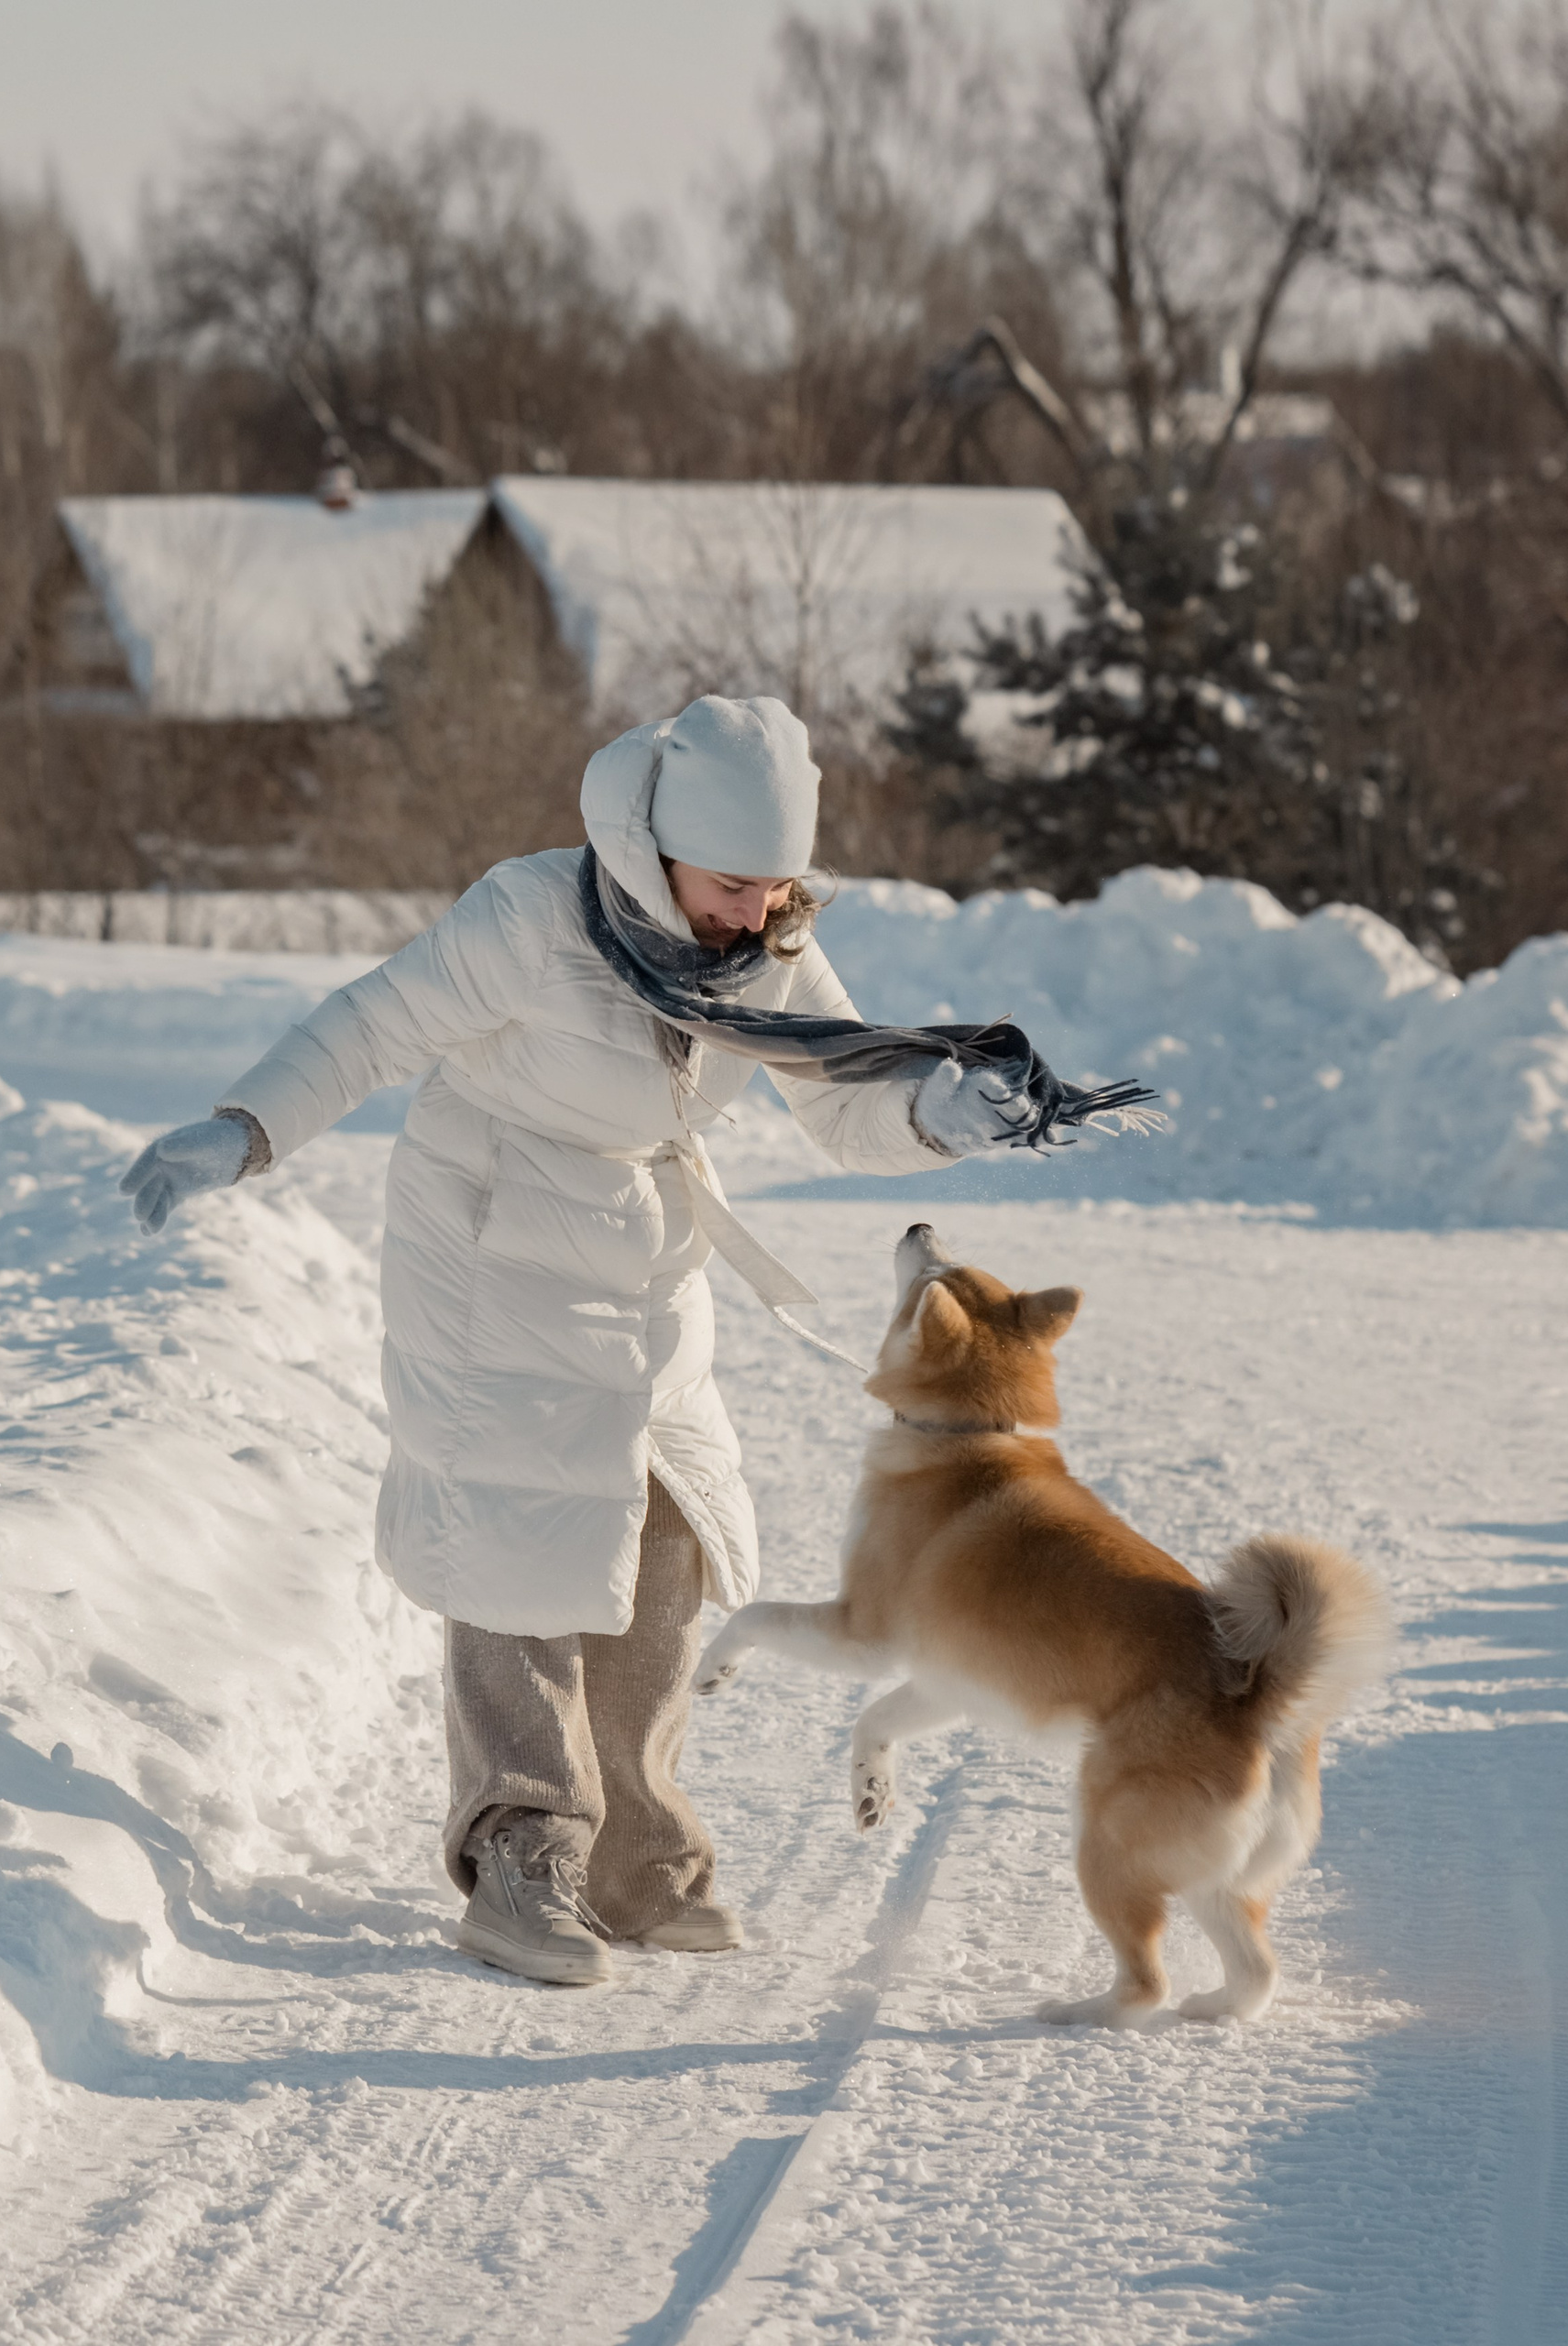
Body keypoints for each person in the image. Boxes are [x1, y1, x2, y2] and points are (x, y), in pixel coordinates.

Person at [119, 694, 1150, 1987]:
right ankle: (523, 1858)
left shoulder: (766, 946)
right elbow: (370, 1024)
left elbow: (843, 1098)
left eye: (775, 890)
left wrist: (946, 1114)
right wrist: (247, 1130)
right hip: (487, 1241)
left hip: (645, 1248)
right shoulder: (531, 916)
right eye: (730, 886)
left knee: (669, 1542)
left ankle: (640, 1858)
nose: (754, 914)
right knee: (516, 1539)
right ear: (656, 848)